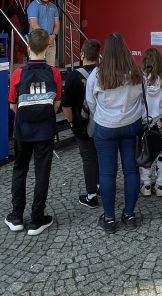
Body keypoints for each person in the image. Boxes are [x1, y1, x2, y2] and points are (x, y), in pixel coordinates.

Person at [5, 29, 63, 236]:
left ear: (28, 46)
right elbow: (57, 104)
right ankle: (37, 219)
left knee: (20, 170)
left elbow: (13, 104)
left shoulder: (18, 73)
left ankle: (16, 216)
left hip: (22, 130)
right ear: (48, 47)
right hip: (45, 130)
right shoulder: (54, 73)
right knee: (42, 173)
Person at [86, 33, 145, 233]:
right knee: (131, 170)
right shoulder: (136, 73)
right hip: (131, 124)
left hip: (106, 126)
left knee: (107, 172)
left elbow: (91, 102)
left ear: (106, 52)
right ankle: (129, 214)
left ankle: (109, 219)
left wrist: (101, 115)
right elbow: (140, 98)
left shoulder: (98, 74)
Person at [61, 39, 101, 207]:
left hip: (82, 123)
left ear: (82, 54)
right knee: (101, 155)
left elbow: (66, 105)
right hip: (103, 122)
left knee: (88, 157)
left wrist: (71, 123)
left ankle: (91, 195)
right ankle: (101, 186)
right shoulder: (104, 73)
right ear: (99, 56)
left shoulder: (73, 76)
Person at [139, 47, 162, 197]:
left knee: (145, 151)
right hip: (160, 122)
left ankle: (146, 184)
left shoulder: (140, 80)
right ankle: (160, 186)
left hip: (144, 121)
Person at [27, 0, 61, 65]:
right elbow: (34, 24)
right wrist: (48, 37)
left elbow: (57, 24)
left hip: (51, 39)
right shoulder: (33, 6)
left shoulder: (53, 7)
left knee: (50, 66)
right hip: (36, 39)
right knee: (36, 66)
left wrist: (53, 36)